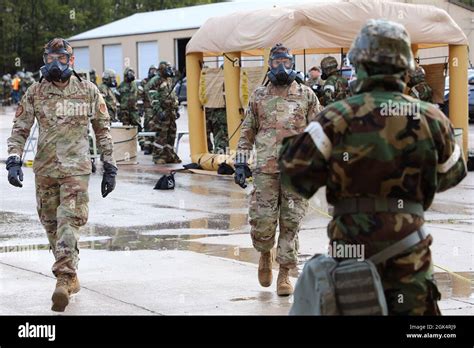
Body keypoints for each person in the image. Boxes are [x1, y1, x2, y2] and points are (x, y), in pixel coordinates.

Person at [279, 19, 467, 315]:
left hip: (351, 253)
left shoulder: (335, 118)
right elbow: (453, 172)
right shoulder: (430, 118)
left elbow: (295, 176)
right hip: (410, 251)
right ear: (405, 67)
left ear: (359, 65)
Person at [6, 38, 117, 312]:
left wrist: (110, 165)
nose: (56, 64)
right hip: (44, 170)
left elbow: (102, 130)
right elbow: (21, 127)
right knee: (52, 226)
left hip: (75, 171)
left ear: (72, 60)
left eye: (62, 59)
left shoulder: (88, 91)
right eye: (50, 58)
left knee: (69, 221)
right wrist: (14, 159)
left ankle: (64, 280)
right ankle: (72, 275)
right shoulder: (35, 92)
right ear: (44, 60)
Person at [234, 43, 320, 296]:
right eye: (276, 62)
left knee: (291, 223)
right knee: (262, 221)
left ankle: (284, 273)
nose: (282, 67)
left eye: (287, 62)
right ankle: (264, 255)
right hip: (265, 169)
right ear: (269, 64)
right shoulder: (259, 95)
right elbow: (247, 131)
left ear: (293, 64)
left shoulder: (306, 95)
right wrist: (240, 162)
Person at [145, 61, 181, 164]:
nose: (169, 71)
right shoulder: (155, 81)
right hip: (162, 113)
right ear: (162, 70)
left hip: (171, 113)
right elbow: (153, 98)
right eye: (167, 69)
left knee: (171, 134)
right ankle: (158, 156)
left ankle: (169, 155)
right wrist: (159, 111)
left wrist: (176, 109)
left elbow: (173, 95)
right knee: (161, 135)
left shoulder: (169, 80)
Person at [141, 64, 158, 155]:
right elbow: (140, 94)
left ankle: (155, 146)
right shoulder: (145, 82)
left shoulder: (158, 81)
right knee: (148, 126)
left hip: (157, 107)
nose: (153, 72)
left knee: (157, 126)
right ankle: (147, 146)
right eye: (151, 70)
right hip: (148, 108)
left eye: (155, 70)